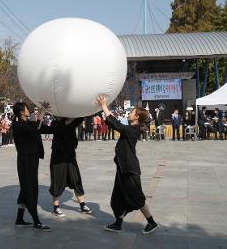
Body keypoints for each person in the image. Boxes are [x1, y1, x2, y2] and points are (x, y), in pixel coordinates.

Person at [97, 95, 158, 235]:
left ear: (136, 117)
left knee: (137, 197)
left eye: (131, 112)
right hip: (123, 168)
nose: (129, 114)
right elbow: (116, 123)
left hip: (130, 170)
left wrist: (104, 106)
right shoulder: (132, 129)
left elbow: (116, 124)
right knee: (119, 197)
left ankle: (152, 222)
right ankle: (118, 224)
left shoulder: (133, 130)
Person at [42, 115, 91, 217]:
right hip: (58, 156)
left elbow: (81, 117)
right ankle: (56, 207)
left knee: (76, 179)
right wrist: (71, 118)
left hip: (70, 155)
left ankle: (82, 205)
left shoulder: (72, 122)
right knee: (57, 180)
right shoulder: (55, 123)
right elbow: (60, 126)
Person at [12, 101, 51, 231]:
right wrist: (42, 111)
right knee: (30, 189)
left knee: (25, 189)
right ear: (22, 112)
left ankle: (19, 219)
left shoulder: (26, 123)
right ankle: (36, 221)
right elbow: (35, 128)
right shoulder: (18, 125)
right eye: (26, 109)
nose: (29, 110)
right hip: (25, 161)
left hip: (32, 159)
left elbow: (40, 126)